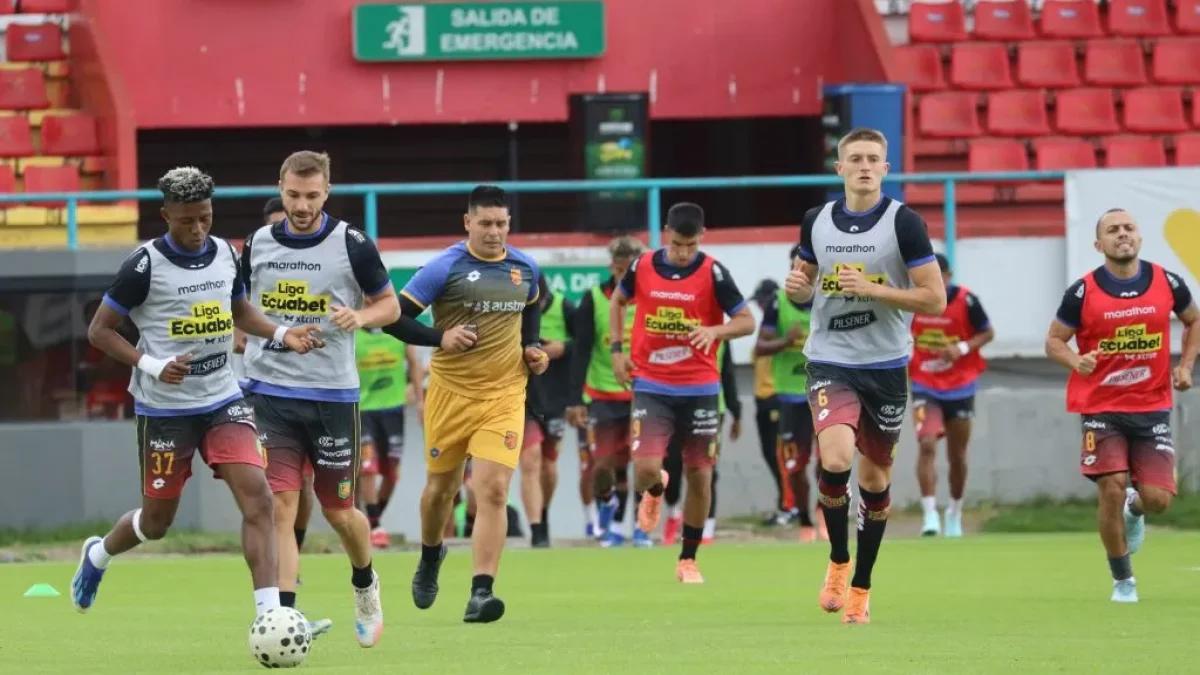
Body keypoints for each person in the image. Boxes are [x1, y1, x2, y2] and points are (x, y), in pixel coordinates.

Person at [71, 167, 322, 618]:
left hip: (223, 399)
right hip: (166, 409)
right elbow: (99, 331)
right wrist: (151, 364)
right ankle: (99, 554)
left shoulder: (226, 252)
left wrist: (283, 333)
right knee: (157, 522)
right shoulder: (144, 264)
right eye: (186, 220)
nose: (197, 229)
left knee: (259, 498)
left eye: (204, 217)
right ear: (165, 214)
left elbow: (241, 313)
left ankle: (271, 614)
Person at [241, 151, 400, 647]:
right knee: (280, 506)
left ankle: (365, 583)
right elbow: (239, 309)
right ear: (280, 187)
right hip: (270, 392)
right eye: (293, 195)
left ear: (327, 192)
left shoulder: (352, 243)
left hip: (332, 396)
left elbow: (390, 305)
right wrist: (268, 334)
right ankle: (284, 619)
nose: (302, 205)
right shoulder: (257, 244)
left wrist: (361, 318)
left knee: (338, 512)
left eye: (312, 196)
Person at [785, 127, 944, 623]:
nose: (864, 166)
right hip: (831, 358)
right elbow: (803, 288)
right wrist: (796, 289)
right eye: (855, 158)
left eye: (873, 158)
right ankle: (837, 559)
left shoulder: (906, 223)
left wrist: (874, 289)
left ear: (886, 168)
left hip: (886, 365)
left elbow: (934, 298)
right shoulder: (817, 221)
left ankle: (862, 585)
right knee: (834, 459)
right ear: (839, 168)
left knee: (875, 480)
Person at [399, 185, 546, 624]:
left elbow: (532, 306)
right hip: (450, 395)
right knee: (440, 493)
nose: (495, 232)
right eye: (485, 223)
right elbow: (396, 318)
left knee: (494, 491)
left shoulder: (525, 267)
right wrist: (439, 338)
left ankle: (481, 593)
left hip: (504, 396)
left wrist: (532, 347)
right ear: (468, 223)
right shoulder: (445, 267)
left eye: (502, 223)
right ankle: (430, 556)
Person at [1044, 207, 1198, 603]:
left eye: (1129, 228)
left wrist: (1185, 366)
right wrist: (1076, 361)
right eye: (1113, 230)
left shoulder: (1167, 281)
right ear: (1099, 244)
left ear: (1140, 238)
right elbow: (1055, 340)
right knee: (1110, 487)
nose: (1122, 234)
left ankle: (1136, 507)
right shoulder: (1082, 292)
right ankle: (1123, 580)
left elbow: (1194, 320)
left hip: (1152, 406)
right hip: (1101, 408)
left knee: (1159, 501)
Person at [611, 202, 756, 583]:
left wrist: (715, 331)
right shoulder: (642, 266)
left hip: (701, 387)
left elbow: (746, 321)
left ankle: (688, 559)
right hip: (652, 384)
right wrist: (616, 351)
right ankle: (656, 490)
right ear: (665, 234)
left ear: (701, 238)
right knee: (643, 470)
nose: (683, 253)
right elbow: (618, 300)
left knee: (700, 475)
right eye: (677, 244)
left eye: (690, 246)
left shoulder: (713, 272)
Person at [241, 197, 319, 580]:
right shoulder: (255, 257)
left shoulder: (318, 266)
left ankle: (293, 548)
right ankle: (276, 562)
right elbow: (238, 323)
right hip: (267, 389)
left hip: (315, 389)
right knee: (270, 485)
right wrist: (260, 339)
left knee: (305, 483)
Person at [565, 236, 644, 546]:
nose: (625, 276)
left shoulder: (652, 298)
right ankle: (606, 513)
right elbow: (581, 350)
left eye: (631, 270)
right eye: (620, 269)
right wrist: (574, 400)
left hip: (643, 394)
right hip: (601, 396)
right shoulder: (594, 299)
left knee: (640, 467)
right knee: (602, 465)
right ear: (612, 266)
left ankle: (633, 527)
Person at [910, 253, 994, 538]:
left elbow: (987, 333)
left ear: (947, 275)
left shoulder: (966, 301)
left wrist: (961, 349)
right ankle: (930, 513)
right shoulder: (913, 301)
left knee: (957, 454)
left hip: (960, 385)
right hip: (924, 384)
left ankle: (954, 511)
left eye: (938, 276)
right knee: (927, 444)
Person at [756, 246, 824, 542]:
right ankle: (805, 519)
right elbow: (760, 347)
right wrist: (786, 341)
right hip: (791, 396)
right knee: (795, 466)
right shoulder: (778, 302)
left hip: (827, 392)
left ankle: (824, 512)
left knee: (832, 461)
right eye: (798, 265)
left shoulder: (830, 298)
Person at [662, 341, 741, 545]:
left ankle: (707, 529)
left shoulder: (720, 333)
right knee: (671, 465)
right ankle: (673, 513)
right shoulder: (673, 329)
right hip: (674, 406)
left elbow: (728, 372)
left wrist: (737, 412)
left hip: (712, 407)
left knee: (706, 468)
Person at [355, 327, 424, 548]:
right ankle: (375, 526)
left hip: (393, 412)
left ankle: (370, 520)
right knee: (367, 467)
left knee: (392, 475)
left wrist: (420, 399)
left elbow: (414, 363)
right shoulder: (353, 334)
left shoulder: (398, 330)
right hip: (362, 411)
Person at [520, 274, 575, 548]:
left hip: (555, 396)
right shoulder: (513, 312)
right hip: (524, 397)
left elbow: (584, 345)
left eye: (538, 304)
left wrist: (562, 348)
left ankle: (543, 512)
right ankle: (537, 530)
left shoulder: (566, 308)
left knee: (550, 464)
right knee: (530, 458)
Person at [750, 279, 787, 526]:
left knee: (780, 456)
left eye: (763, 302)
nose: (761, 308)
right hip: (762, 399)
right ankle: (785, 503)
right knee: (770, 454)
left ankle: (788, 506)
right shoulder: (766, 329)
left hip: (777, 396)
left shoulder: (781, 325)